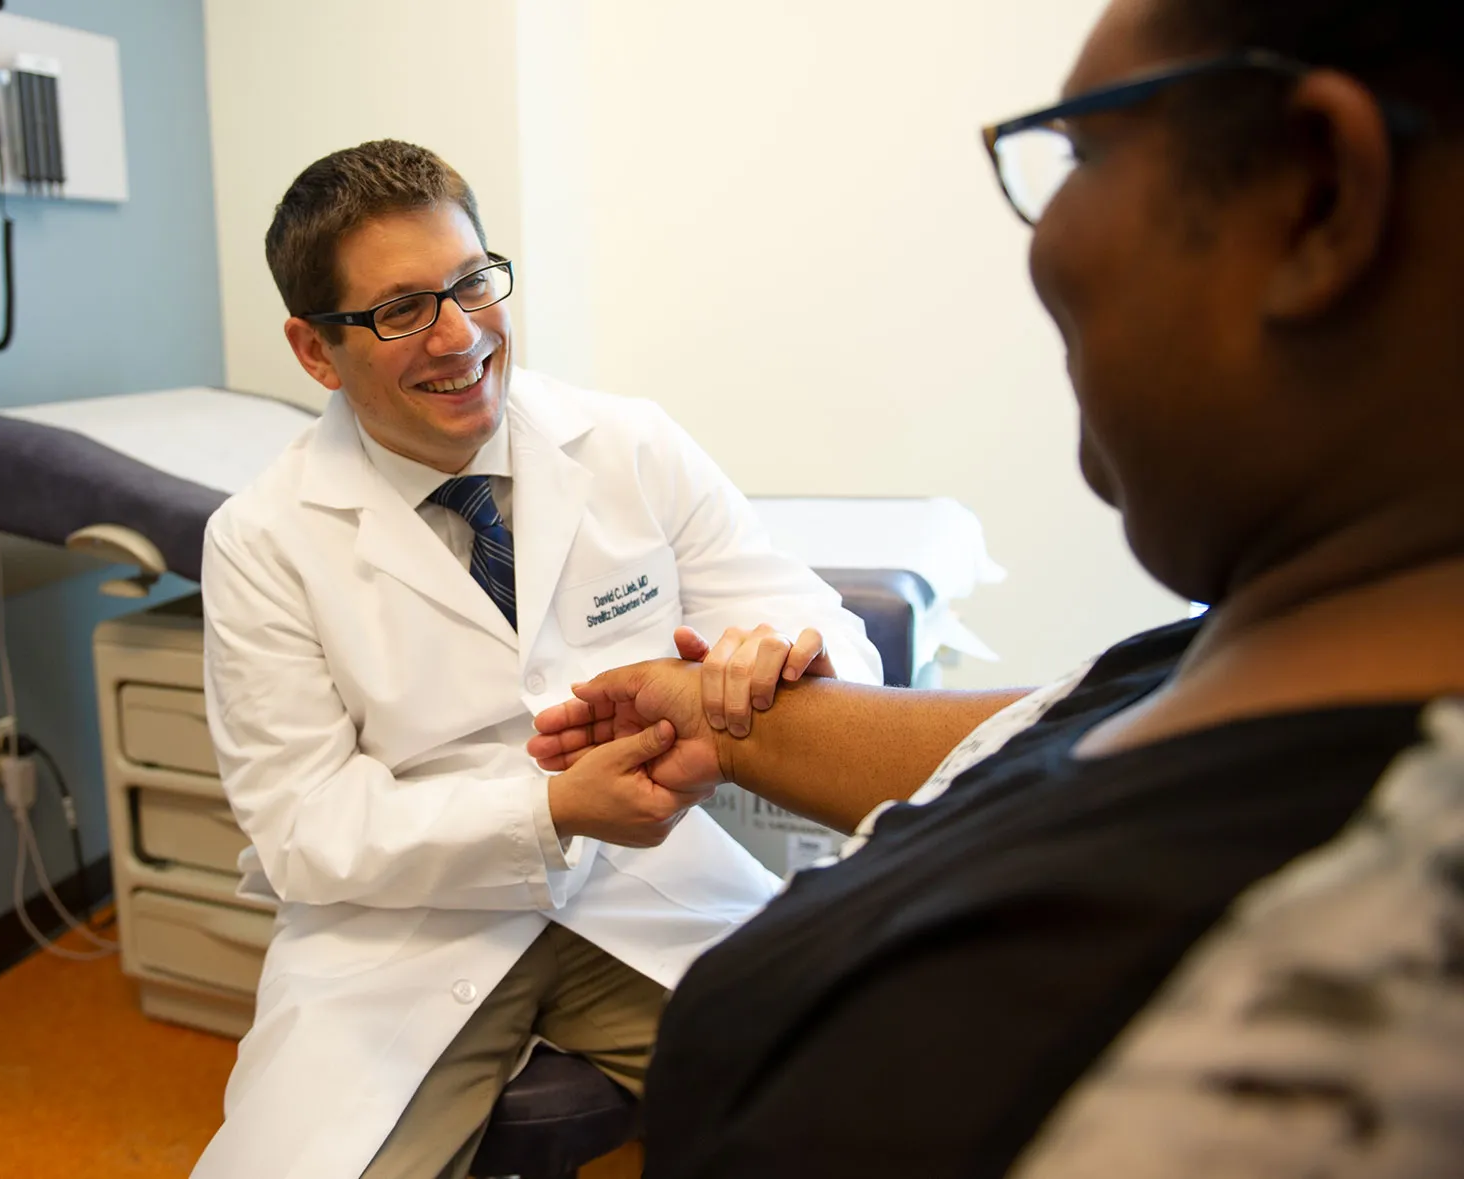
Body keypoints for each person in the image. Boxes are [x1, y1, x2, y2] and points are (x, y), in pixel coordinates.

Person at [527, 0, 1464, 1174]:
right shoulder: (1251, 639)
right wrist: (713, 712)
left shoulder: (1231, 1045)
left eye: (1075, 152)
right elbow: (1047, 739)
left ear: (1316, 191)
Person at [191, 140, 883, 1179]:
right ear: (311, 349)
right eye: (400, 310)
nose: (461, 335)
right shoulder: (262, 539)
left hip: (644, 885)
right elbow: (302, 828)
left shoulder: (628, 445)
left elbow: (807, 617)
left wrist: (775, 652)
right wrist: (549, 812)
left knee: (881, 1103)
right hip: (406, 925)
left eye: (471, 283)